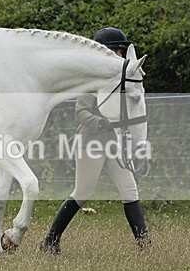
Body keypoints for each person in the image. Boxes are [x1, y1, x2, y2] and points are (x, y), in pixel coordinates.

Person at [39, 27, 150, 254]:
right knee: (82, 193)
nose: (120, 56)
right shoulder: (90, 82)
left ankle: (145, 246)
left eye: (121, 51)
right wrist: (101, 123)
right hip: (91, 142)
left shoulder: (121, 80)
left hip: (113, 143)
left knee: (130, 191)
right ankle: (50, 240)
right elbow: (80, 113)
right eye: (117, 51)